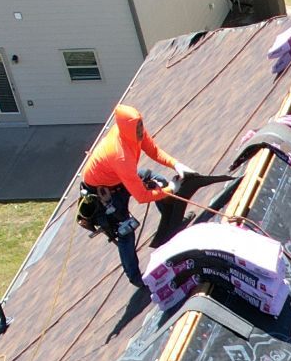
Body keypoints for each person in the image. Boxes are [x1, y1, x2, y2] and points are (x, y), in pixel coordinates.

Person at [78, 104, 229, 289]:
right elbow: (141, 196)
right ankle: (135, 278)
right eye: (137, 128)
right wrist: (172, 189)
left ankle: (172, 224)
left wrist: (176, 165)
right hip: (103, 192)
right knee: (125, 230)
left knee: (158, 182)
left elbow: (153, 151)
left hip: (119, 177)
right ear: (127, 129)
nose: (141, 131)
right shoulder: (120, 154)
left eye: (141, 125)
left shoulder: (133, 131)